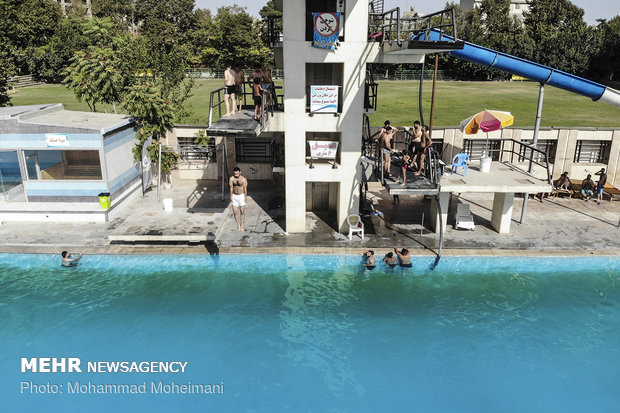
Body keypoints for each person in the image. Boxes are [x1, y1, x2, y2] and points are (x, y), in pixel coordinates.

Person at [229, 167, 248, 231]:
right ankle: (238, 225)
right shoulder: (231, 179)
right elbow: (231, 188)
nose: (236, 174)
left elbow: (245, 189)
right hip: (234, 196)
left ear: (240, 172)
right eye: (235, 173)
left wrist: (245, 197)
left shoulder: (243, 179)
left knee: (242, 211)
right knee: (235, 212)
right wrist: (231, 196)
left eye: (237, 173)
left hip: (241, 196)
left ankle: (242, 225)